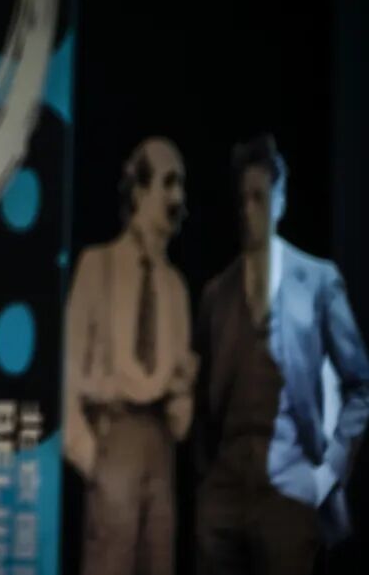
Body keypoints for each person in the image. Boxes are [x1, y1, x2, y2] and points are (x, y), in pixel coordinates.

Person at [195, 134, 369, 575]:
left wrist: (327, 473)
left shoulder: (318, 281)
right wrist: (209, 479)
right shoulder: (217, 294)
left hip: (289, 485)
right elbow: (201, 398)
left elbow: (359, 386)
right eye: (242, 199)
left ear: (280, 200)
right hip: (226, 491)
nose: (248, 210)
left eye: (258, 197)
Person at [62, 137, 197, 575]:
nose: (178, 197)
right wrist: (90, 457)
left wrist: (183, 397)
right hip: (113, 437)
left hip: (160, 449)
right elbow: (67, 370)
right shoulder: (97, 265)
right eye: (169, 183)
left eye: (182, 185)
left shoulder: (175, 287)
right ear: (139, 191)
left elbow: (181, 409)